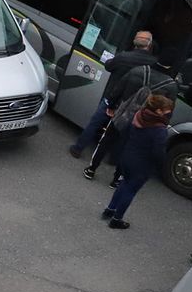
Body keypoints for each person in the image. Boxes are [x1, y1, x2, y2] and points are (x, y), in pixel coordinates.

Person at [69, 31, 156, 164]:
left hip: (112, 98)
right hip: (132, 104)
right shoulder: (152, 63)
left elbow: (108, 66)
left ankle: (78, 148)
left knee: (95, 124)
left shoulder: (123, 56)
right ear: (149, 44)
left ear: (134, 43)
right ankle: (113, 159)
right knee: (121, 133)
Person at [101, 93, 175, 230]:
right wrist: (161, 165)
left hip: (127, 156)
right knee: (130, 190)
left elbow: (126, 133)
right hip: (142, 165)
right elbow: (158, 152)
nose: (169, 113)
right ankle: (116, 219)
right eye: (167, 111)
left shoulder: (139, 115)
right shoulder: (159, 130)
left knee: (123, 184)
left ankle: (109, 209)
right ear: (159, 111)